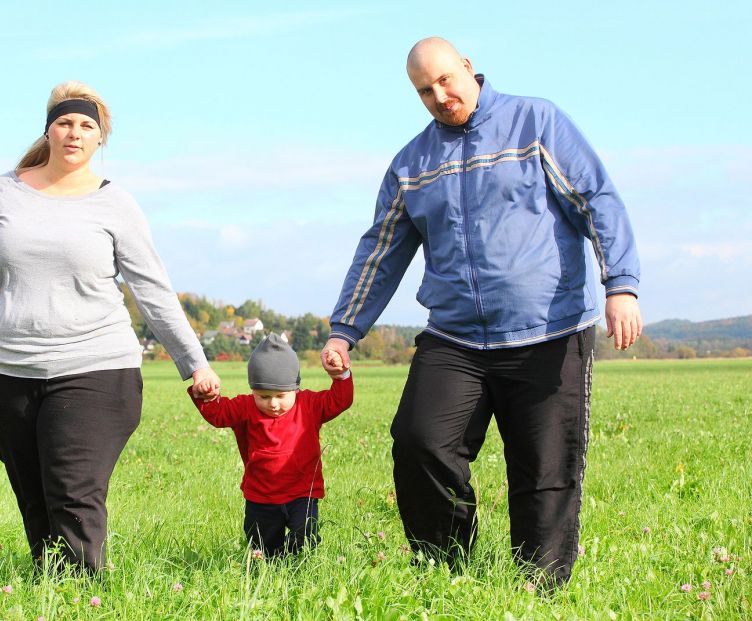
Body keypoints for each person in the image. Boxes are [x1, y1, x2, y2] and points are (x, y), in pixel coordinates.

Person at [320, 37, 642, 586]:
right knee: (421, 440)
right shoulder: (412, 164)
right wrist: (344, 330)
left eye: (446, 80)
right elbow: (381, 249)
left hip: (550, 330)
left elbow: (596, 199)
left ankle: (539, 588)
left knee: (544, 469)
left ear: (468, 67)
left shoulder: (535, 123)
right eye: (425, 90)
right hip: (456, 338)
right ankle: (447, 570)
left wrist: (622, 284)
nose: (440, 96)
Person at [0, 80, 220, 573]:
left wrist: (195, 363)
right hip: (4, 373)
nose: (75, 133)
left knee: (72, 489)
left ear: (100, 139)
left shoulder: (114, 204)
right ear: (49, 131)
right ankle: (51, 587)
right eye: (65, 122)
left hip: (95, 368)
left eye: (87, 125)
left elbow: (153, 291)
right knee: (34, 491)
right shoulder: (5, 191)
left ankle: (85, 596)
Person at [190, 334, 353, 556]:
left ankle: (296, 571)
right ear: (253, 390)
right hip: (261, 496)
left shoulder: (309, 405)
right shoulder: (245, 407)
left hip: (302, 492)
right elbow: (218, 415)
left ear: (295, 389)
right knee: (264, 549)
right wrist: (207, 396)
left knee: (304, 539)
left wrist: (341, 375)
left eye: (281, 395)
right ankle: (270, 569)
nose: (273, 404)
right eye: (264, 396)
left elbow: (339, 401)